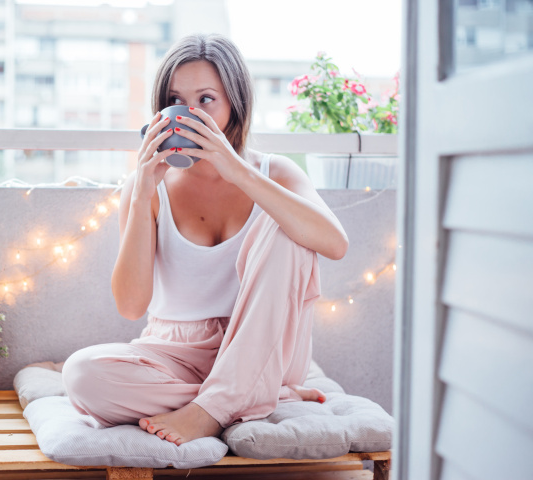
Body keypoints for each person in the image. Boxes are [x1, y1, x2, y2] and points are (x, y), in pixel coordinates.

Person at [62, 33, 349, 447]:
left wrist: (237, 171)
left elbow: (334, 244)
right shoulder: (145, 187)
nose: (189, 114)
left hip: (263, 346)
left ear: (235, 103)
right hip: (175, 354)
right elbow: (130, 306)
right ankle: (250, 397)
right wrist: (142, 192)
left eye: (206, 99)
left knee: (290, 226)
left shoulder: (274, 172)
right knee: (82, 375)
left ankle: (216, 406)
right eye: (177, 100)